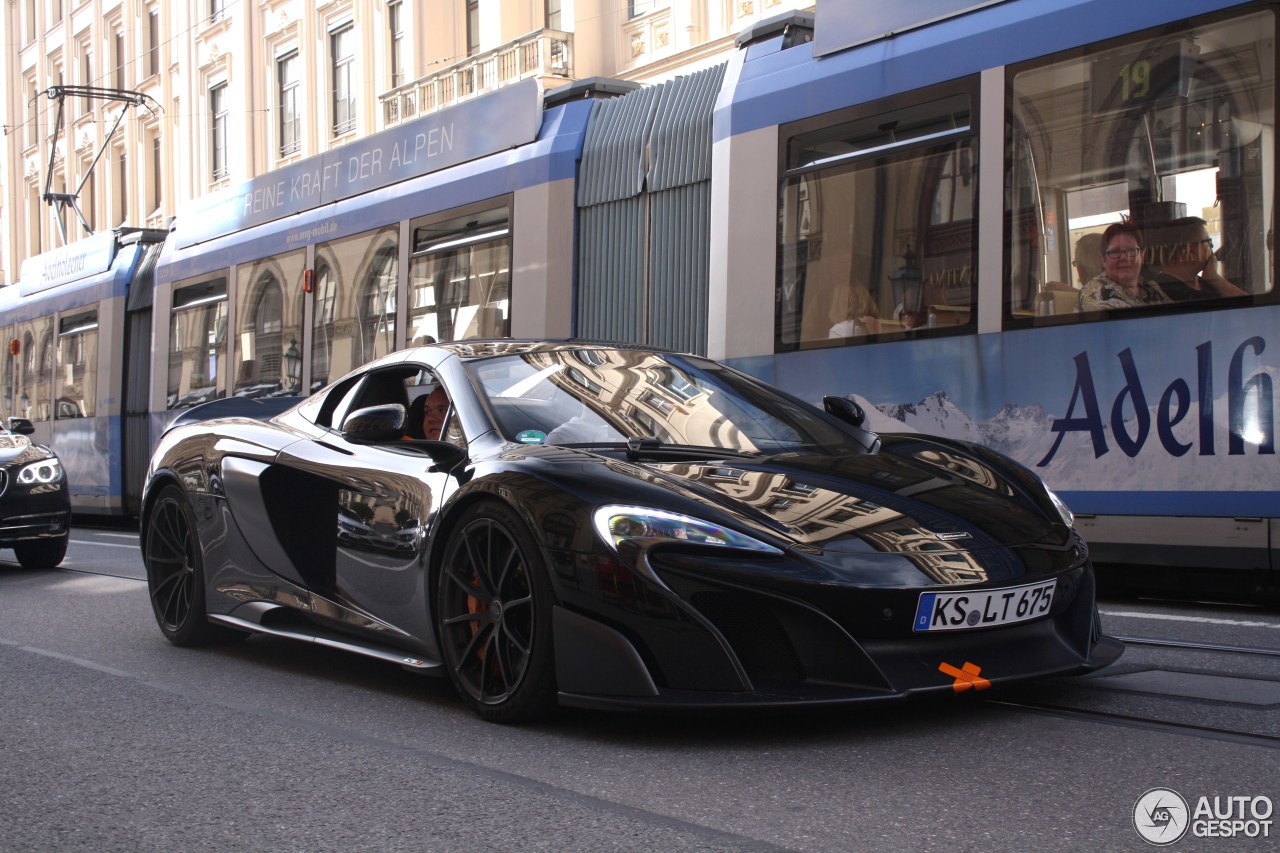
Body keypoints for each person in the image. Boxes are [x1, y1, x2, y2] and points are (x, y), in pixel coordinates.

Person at [1077, 220, 1171, 311]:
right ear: (1103, 260)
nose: (1124, 257)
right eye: (1115, 251)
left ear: (1142, 257)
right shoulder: (1096, 292)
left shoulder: (1152, 289)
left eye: (1131, 250)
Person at [1148, 216, 1247, 302]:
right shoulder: (1157, 292)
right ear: (1190, 251)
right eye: (1208, 241)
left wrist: (1215, 279)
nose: (1212, 246)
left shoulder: (1209, 284)